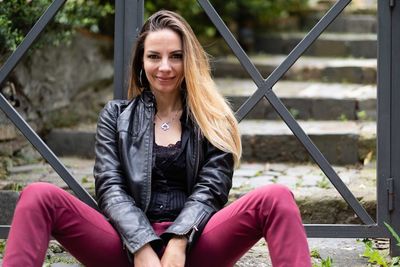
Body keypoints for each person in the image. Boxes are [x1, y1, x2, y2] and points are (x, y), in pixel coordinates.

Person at [3, 10, 311, 267]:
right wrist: (141, 246)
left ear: (188, 61)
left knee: (276, 197)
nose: (165, 67)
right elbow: (110, 189)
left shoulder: (212, 118)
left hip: (195, 244)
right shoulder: (116, 116)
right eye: (154, 56)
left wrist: (178, 242)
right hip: (126, 246)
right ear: (141, 62)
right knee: (38, 195)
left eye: (176, 56)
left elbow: (210, 191)